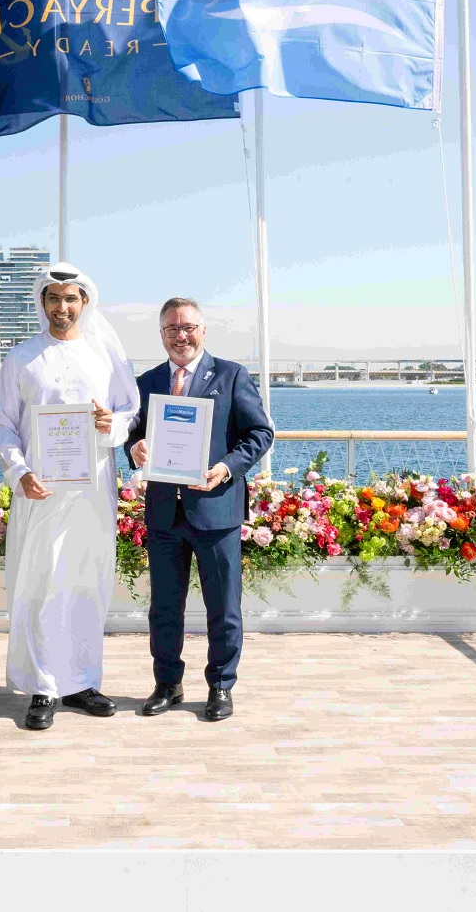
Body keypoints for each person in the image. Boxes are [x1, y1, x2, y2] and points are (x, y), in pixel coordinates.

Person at [0, 263, 140, 730]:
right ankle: (43, 686)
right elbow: (2, 424)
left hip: (92, 493)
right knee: (39, 585)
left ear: (85, 302)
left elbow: (130, 412)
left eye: (70, 298)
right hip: (40, 492)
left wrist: (111, 424)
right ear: (42, 303)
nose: (62, 307)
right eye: (53, 298)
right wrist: (19, 472)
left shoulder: (107, 357)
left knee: (86, 582)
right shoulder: (21, 358)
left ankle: (81, 682)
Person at [126, 298, 273, 722]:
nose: (181, 335)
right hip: (164, 514)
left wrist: (225, 468)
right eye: (172, 328)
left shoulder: (231, 375)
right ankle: (167, 684)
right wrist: (133, 447)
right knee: (163, 608)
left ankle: (221, 686)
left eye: (188, 327)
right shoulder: (147, 382)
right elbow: (132, 434)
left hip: (216, 510)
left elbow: (260, 433)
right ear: (161, 334)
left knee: (223, 609)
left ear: (203, 331)